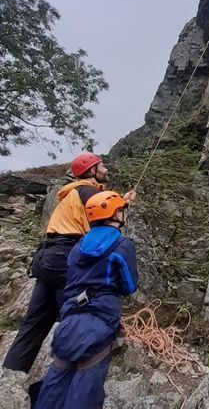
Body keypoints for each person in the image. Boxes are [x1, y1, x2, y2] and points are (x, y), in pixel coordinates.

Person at [32, 190, 138, 409]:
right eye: (121, 210)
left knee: (53, 391)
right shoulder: (122, 246)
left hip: (69, 323)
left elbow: (72, 277)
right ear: (116, 214)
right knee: (81, 406)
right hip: (98, 326)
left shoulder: (78, 246)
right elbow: (129, 285)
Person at [3, 153, 136, 373]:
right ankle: (73, 376)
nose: (106, 170)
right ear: (92, 171)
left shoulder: (74, 192)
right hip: (66, 258)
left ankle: (10, 376)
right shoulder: (89, 191)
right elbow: (104, 216)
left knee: (33, 325)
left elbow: (101, 208)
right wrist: (121, 206)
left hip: (48, 258)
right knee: (79, 318)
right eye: (101, 166)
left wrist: (123, 202)